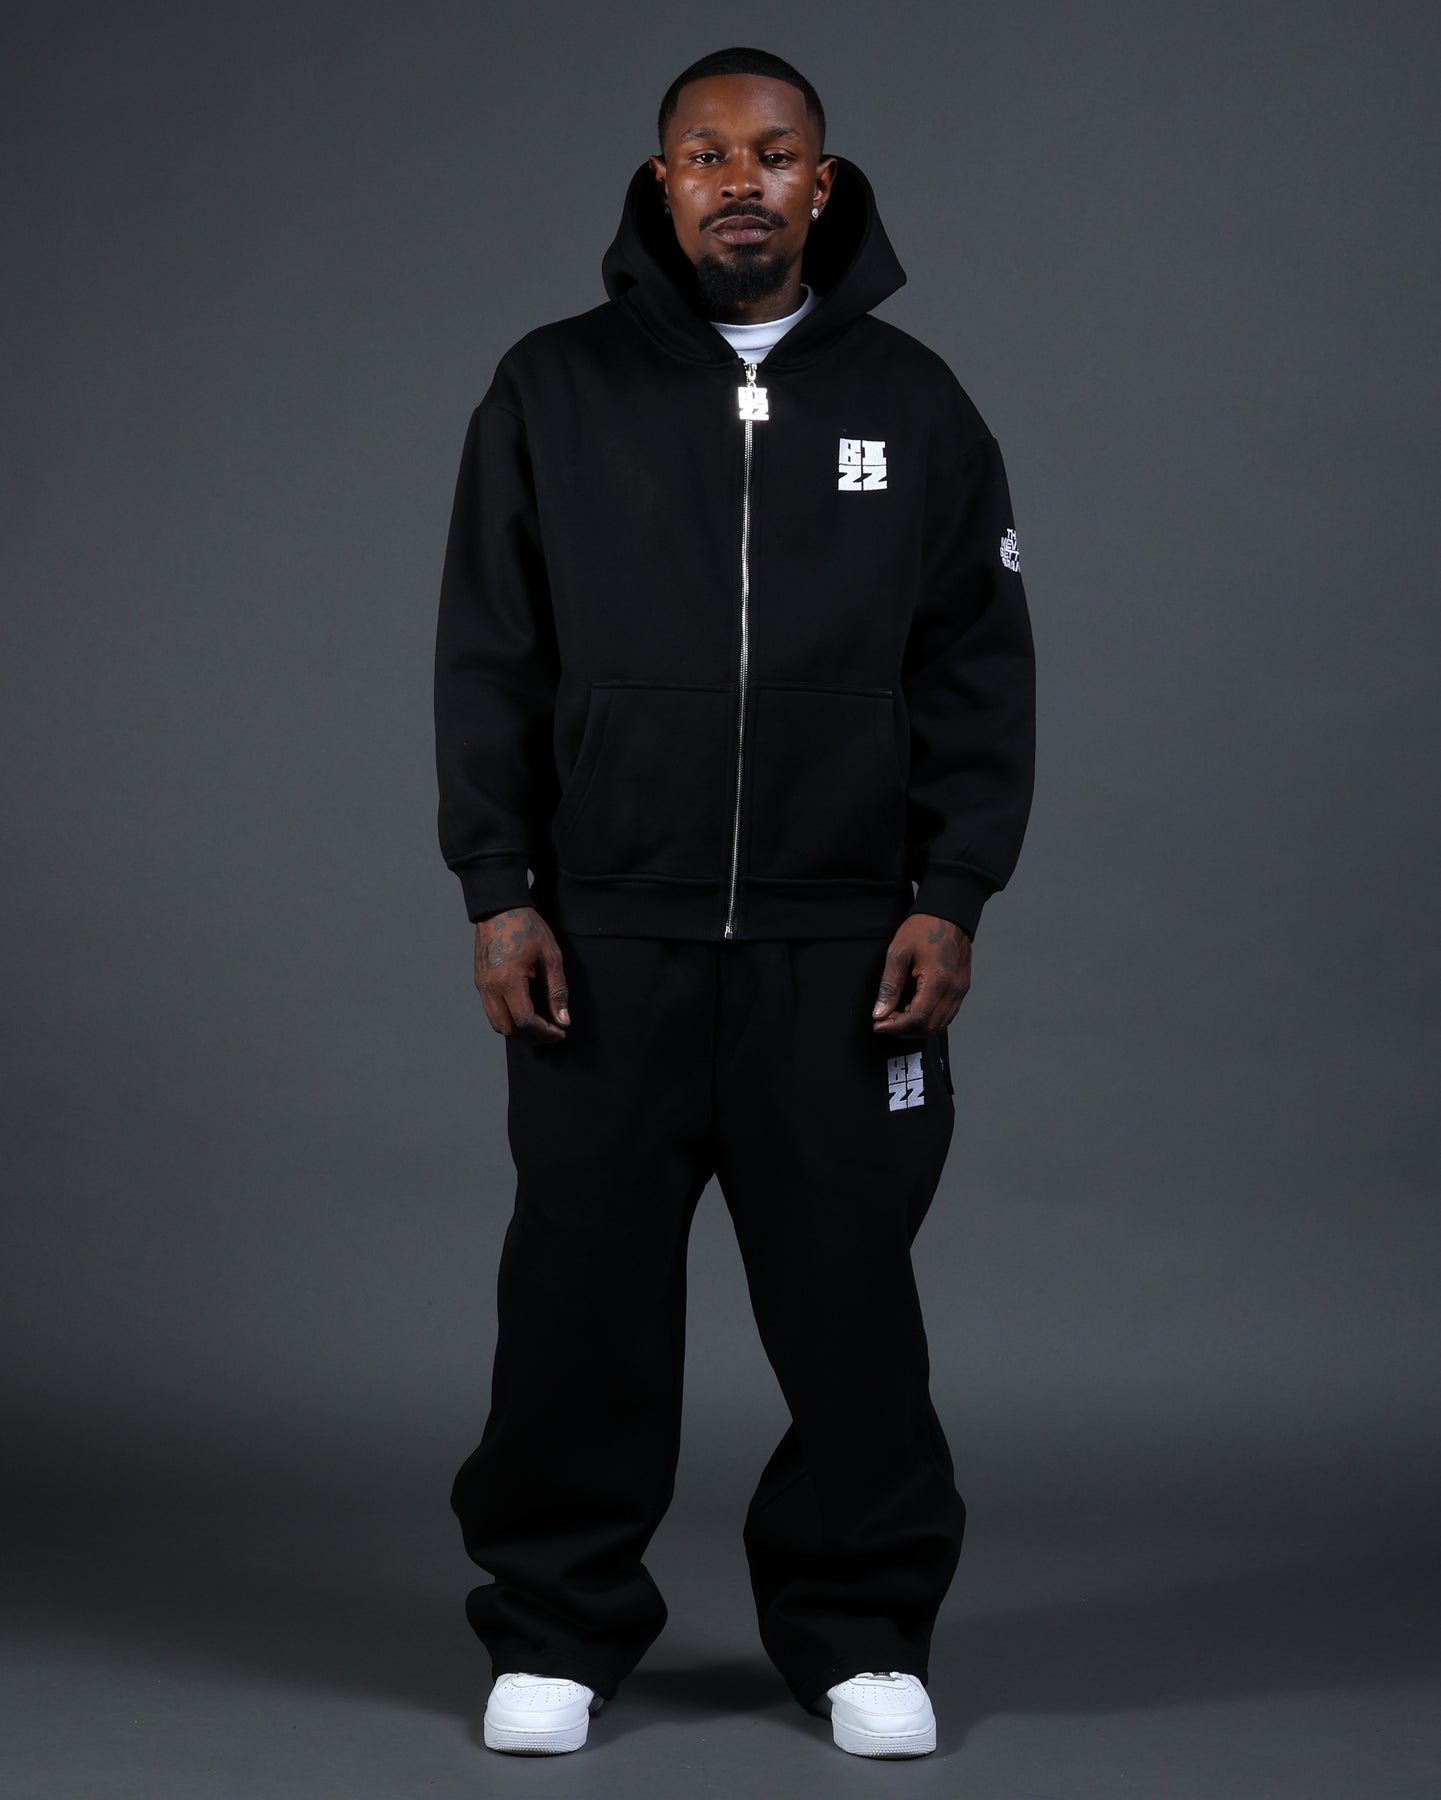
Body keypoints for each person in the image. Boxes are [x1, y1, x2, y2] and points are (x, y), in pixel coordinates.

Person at [432, 44, 1037, 1759]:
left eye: (772, 154)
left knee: (849, 1308)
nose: (740, 180)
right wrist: (498, 887)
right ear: (664, 182)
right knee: (579, 1301)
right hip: (603, 941)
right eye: (705, 154)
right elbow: (489, 654)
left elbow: (978, 668)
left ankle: (861, 1631)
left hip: (839, 948)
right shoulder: (552, 388)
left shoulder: (914, 402)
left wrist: (952, 891)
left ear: (820, 186)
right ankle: (557, 1628)